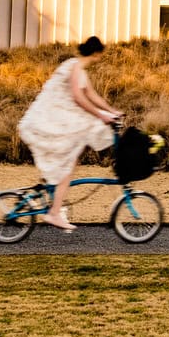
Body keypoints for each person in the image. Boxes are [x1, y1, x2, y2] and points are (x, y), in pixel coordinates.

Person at [17, 35, 123, 231]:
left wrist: (111, 111)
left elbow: (92, 95)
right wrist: (101, 115)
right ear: (97, 53)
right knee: (68, 163)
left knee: (69, 160)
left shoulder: (76, 66)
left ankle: (53, 198)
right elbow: (78, 97)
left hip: (57, 118)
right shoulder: (76, 67)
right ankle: (55, 212)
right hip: (55, 120)